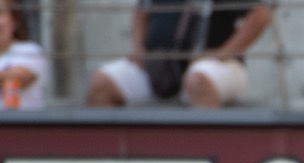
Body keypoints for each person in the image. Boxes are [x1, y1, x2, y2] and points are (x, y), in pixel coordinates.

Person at [84, 0, 272, 108]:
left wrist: (223, 53)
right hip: (161, 67)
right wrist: (139, 51)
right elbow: (142, 11)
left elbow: (261, 15)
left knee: (199, 80)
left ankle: (207, 154)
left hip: (216, 66)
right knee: (101, 85)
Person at [0, 0, 45, 109]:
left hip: (22, 124)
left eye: (0, 13)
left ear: (14, 20)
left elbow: (19, 78)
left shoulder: (29, 50)